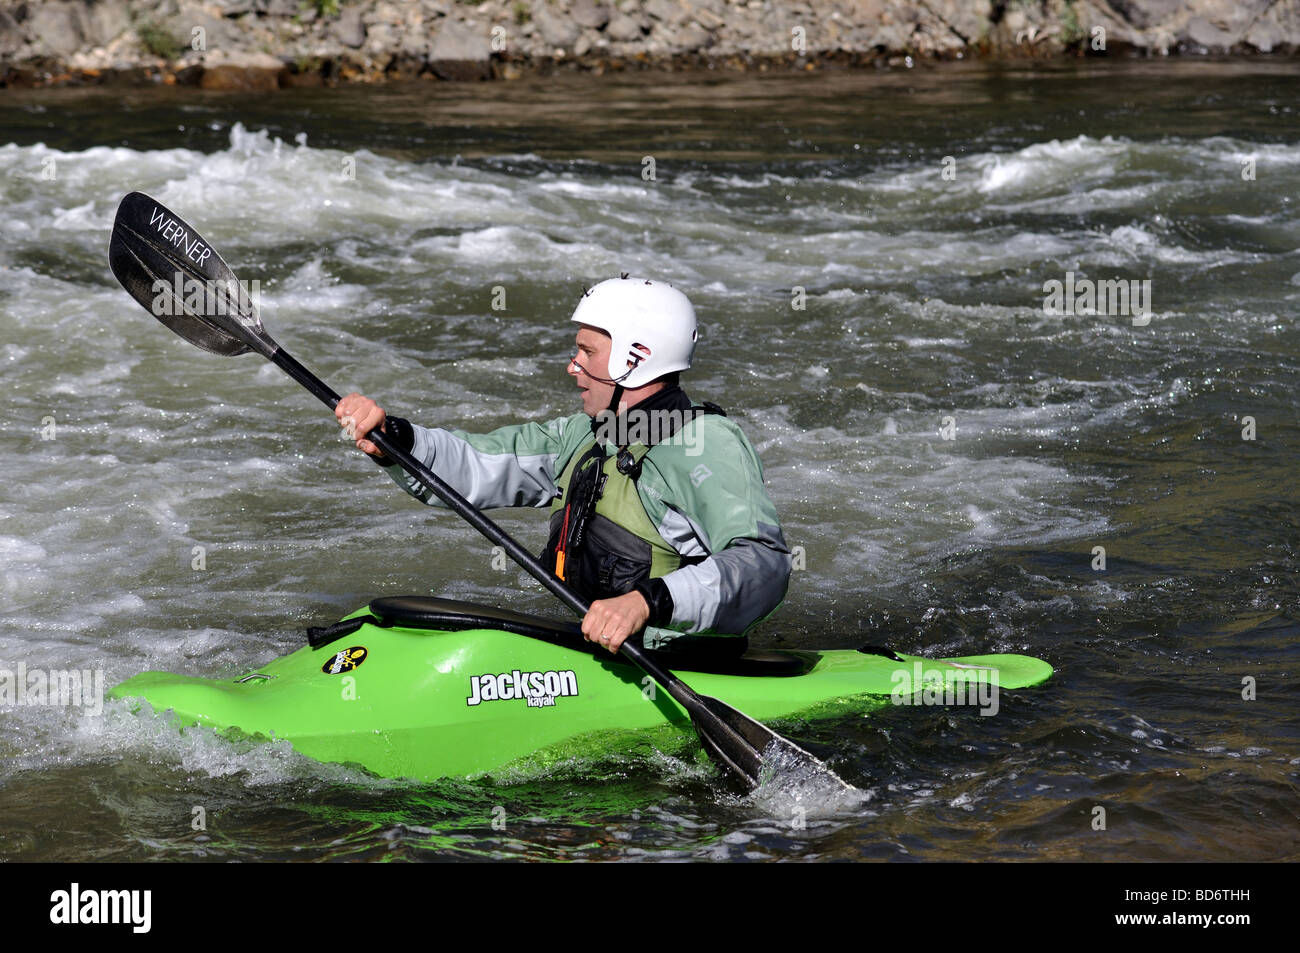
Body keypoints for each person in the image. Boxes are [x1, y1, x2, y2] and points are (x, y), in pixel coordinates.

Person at [334, 275, 791, 657]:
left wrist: (647, 603)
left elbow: (762, 563)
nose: (573, 366)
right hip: (593, 651)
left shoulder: (704, 444)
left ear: (635, 359)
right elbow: (481, 463)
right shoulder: (586, 434)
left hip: (683, 664)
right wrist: (393, 438)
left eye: (587, 352)